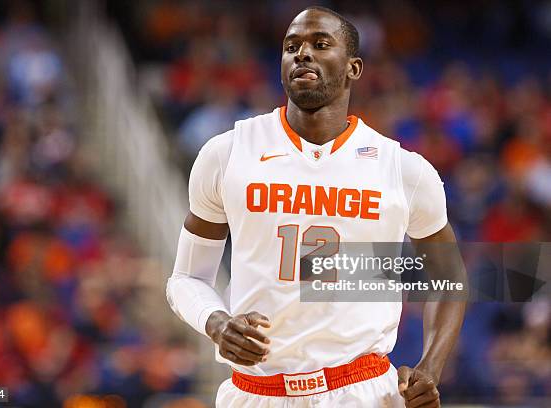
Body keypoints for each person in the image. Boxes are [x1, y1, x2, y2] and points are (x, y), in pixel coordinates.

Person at [167, 6, 465, 407]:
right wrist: (216, 323)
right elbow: (186, 278)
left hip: (362, 390)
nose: (302, 54)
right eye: (292, 47)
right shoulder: (227, 153)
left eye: (320, 44)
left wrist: (430, 367)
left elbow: (449, 277)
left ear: (353, 68)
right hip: (255, 392)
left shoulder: (403, 169)